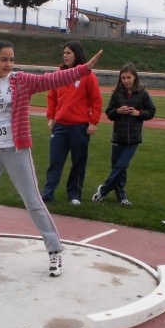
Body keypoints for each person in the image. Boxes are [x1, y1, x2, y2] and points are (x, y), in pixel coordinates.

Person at [0, 39, 103, 277]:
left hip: (16, 149)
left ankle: (55, 251)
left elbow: (52, 80)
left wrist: (84, 69)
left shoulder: (20, 80)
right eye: (4, 59)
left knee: (33, 202)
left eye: (12, 59)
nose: (9, 64)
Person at [41, 41, 102, 206]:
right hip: (60, 125)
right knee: (55, 161)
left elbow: (96, 100)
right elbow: (52, 97)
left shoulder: (88, 75)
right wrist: (51, 117)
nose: (65, 55)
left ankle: (74, 194)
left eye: (68, 53)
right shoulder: (59, 74)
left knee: (78, 161)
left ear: (76, 54)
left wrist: (93, 122)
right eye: (64, 52)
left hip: (79, 126)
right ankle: (48, 194)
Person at [92, 63, 156, 207]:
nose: (126, 81)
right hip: (118, 136)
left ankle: (103, 190)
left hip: (133, 138)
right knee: (119, 169)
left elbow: (151, 111)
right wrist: (118, 111)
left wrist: (138, 113)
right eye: (123, 78)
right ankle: (122, 197)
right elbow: (109, 113)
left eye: (129, 77)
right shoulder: (117, 94)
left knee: (121, 166)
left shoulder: (143, 94)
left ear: (135, 77)